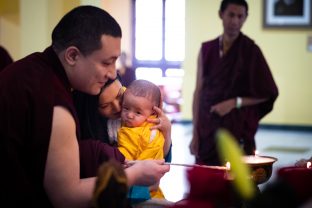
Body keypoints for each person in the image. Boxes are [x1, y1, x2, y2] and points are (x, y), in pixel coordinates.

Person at [0, 5, 169, 207]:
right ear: (72, 56)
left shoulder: (29, 69)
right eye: (107, 63)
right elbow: (66, 197)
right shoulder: (56, 103)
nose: (113, 73)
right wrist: (134, 174)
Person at [190, 0, 279, 166]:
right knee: (207, 179)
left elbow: (268, 93)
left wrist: (234, 102)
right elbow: (199, 91)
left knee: (237, 182)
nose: (235, 21)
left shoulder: (251, 50)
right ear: (221, 14)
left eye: (240, 16)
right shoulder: (206, 49)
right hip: (207, 127)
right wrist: (195, 133)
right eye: (231, 15)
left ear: (246, 18)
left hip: (237, 127)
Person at [117, 79, 166, 200]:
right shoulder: (132, 124)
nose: (129, 115)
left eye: (138, 112)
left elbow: (145, 164)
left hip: (144, 194)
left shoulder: (149, 133)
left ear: (152, 114)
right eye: (126, 108)